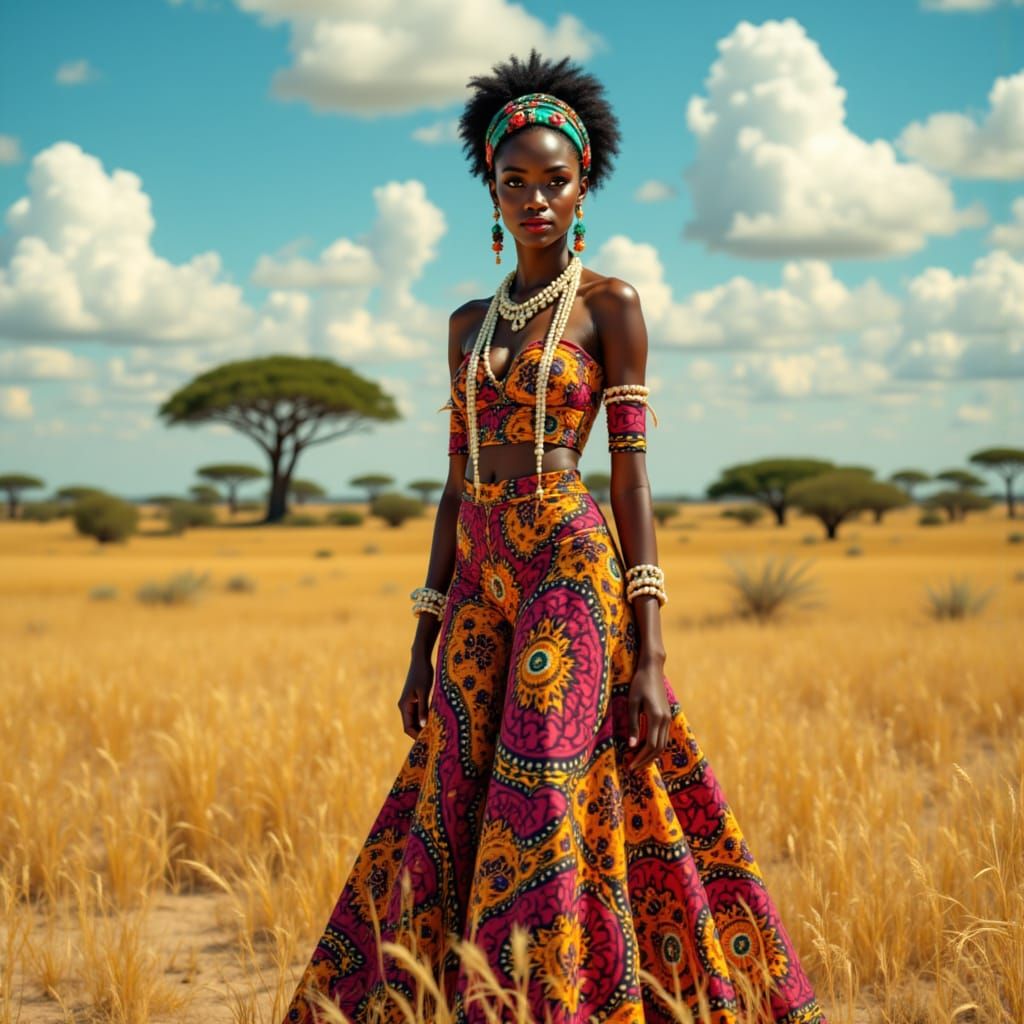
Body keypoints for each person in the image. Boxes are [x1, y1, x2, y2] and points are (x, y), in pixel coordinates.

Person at [282, 50, 827, 1024]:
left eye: (555, 180)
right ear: (490, 192)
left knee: (542, 785)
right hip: (479, 572)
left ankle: (556, 1003)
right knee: (452, 789)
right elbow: (455, 484)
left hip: (570, 564)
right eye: (514, 182)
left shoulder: (610, 307)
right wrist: (421, 638)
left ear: (585, 186)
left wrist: (650, 650)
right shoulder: (465, 325)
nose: (535, 200)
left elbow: (631, 476)